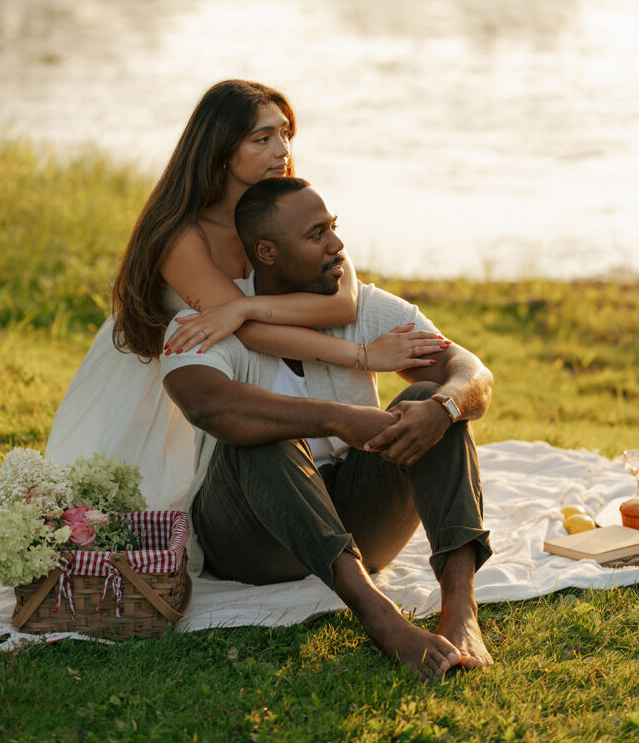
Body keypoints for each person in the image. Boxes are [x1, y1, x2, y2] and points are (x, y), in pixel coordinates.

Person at [46, 80, 437, 510]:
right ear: (221, 151)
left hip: (250, 372)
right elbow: (249, 333)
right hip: (175, 383)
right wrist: (364, 356)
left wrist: (241, 305)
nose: (282, 150)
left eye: (286, 134)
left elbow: (342, 301)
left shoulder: (289, 208)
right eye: (263, 138)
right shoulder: (180, 236)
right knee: (134, 512)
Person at [162, 177, 494, 678]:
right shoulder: (210, 321)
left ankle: (460, 609)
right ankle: (379, 615)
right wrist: (338, 417)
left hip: (357, 521)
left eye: (333, 227)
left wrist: (446, 406)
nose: (337, 245)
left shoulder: (363, 307)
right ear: (267, 252)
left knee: (430, 403)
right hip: (250, 541)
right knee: (258, 433)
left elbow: (473, 374)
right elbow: (207, 404)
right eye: (317, 234)